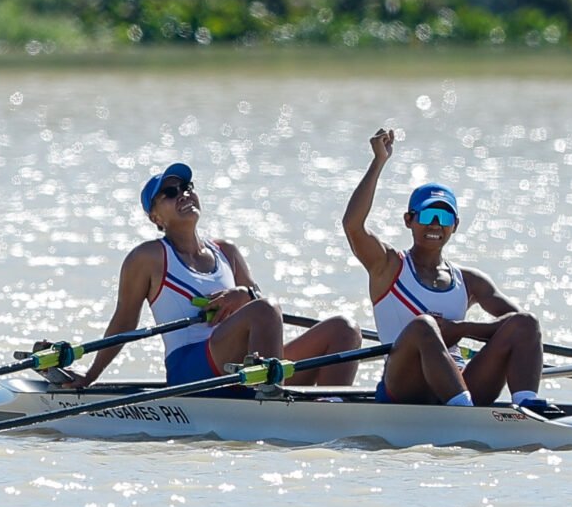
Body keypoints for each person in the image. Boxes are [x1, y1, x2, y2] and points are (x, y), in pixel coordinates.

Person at [62, 161, 361, 391]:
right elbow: (124, 322)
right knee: (265, 310)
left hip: (244, 365)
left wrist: (246, 295)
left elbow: (263, 310)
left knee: (344, 329)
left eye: (188, 186)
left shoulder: (226, 252)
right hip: (190, 366)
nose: (184, 194)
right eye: (170, 192)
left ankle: (328, 405)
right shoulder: (148, 257)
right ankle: (273, 399)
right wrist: (90, 376)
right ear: (155, 218)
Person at [342, 128, 551, 409]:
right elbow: (353, 226)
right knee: (424, 325)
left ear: (456, 225)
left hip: (460, 379)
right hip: (405, 385)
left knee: (527, 322)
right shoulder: (388, 265)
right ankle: (462, 410)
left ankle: (527, 406)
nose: (436, 224)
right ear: (409, 220)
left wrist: (460, 329)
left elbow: (516, 327)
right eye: (428, 214)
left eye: (444, 216)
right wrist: (379, 161)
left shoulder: (469, 281)